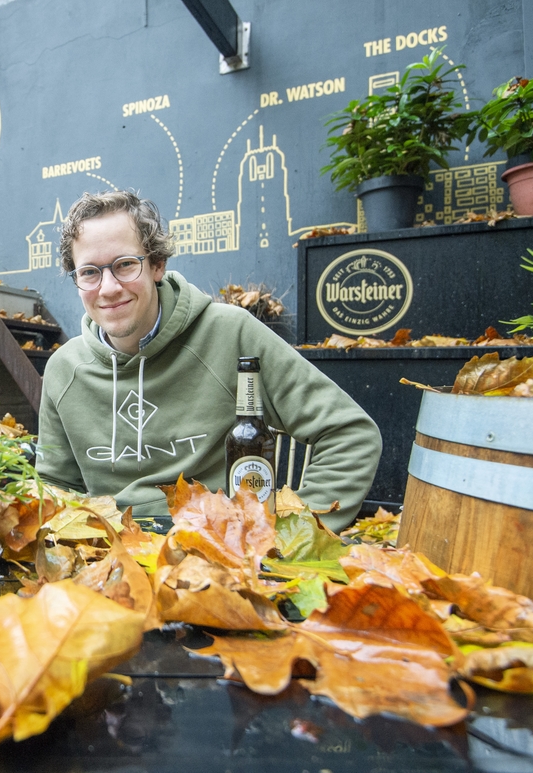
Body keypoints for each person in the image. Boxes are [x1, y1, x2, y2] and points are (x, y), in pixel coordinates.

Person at [36, 190, 381, 530]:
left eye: (125, 265)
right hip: (114, 563)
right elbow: (54, 488)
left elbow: (350, 434)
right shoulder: (63, 368)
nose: (108, 287)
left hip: (217, 560)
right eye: (90, 272)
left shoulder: (230, 334)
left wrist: (295, 538)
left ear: (157, 265)